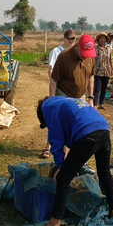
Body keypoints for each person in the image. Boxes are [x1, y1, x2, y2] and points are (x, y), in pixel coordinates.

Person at [37, 96, 113, 226]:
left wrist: (60, 165)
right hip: (104, 130)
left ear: (42, 116)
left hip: (87, 135)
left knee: (63, 178)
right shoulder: (66, 101)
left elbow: (56, 139)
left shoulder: (48, 109)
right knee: (104, 173)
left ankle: (54, 223)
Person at [41, 29, 77, 158]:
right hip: (59, 89)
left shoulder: (75, 52)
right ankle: (48, 146)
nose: (71, 41)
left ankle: (65, 150)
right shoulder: (56, 52)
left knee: (68, 120)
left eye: (73, 39)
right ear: (64, 38)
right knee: (54, 118)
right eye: (69, 38)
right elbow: (51, 71)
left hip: (72, 91)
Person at [49, 34, 96, 100]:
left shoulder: (90, 57)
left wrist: (91, 98)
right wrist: (52, 100)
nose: (86, 56)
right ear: (77, 46)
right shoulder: (64, 57)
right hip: (64, 95)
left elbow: (90, 76)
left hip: (81, 96)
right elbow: (54, 79)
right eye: (84, 53)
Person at [93, 32, 113, 109]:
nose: (103, 40)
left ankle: (101, 103)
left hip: (107, 71)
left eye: (104, 38)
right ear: (98, 40)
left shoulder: (108, 49)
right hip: (98, 71)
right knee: (97, 88)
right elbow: (92, 60)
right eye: (101, 38)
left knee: (104, 89)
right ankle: (95, 104)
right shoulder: (95, 49)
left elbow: (111, 59)